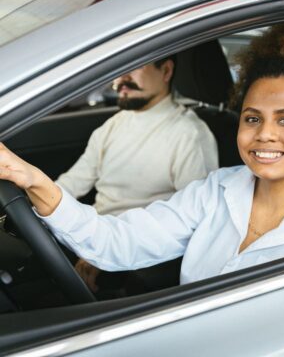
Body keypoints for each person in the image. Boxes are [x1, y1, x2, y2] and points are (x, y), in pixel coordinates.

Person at [0, 22, 284, 287]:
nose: (265, 135)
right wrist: (33, 180)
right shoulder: (214, 191)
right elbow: (118, 243)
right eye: (252, 118)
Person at [55, 56, 219, 290]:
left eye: (134, 66)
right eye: (119, 68)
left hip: (134, 254)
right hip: (90, 235)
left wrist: (107, 253)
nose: (122, 78)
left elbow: (196, 221)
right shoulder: (114, 124)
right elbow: (73, 183)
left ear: (166, 71)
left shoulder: (189, 134)